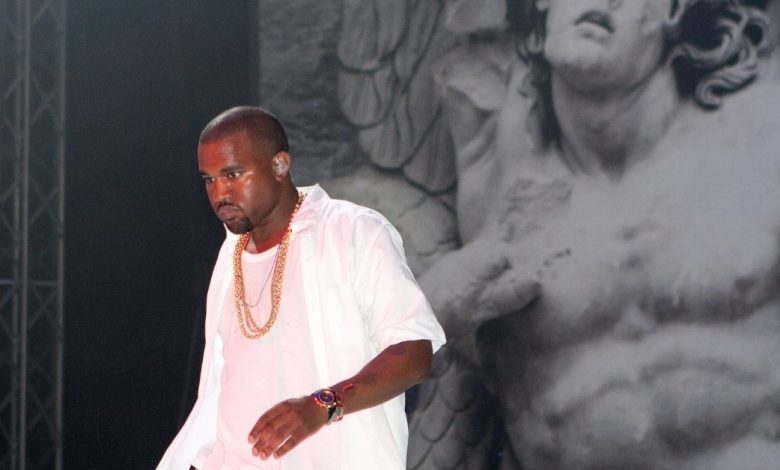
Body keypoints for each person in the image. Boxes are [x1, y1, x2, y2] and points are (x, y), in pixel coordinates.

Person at [157, 106, 446, 470]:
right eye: (209, 180)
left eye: (232, 174)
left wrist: (322, 405)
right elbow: (222, 391)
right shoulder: (230, 257)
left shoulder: (352, 231)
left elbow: (414, 354)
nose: (219, 194)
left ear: (280, 165)